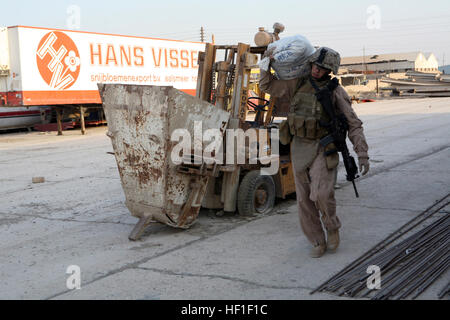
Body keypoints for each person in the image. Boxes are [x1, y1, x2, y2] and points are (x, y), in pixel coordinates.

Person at [259, 47, 370, 258]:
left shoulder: (336, 91)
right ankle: (317, 240)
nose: (317, 70)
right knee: (304, 201)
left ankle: (332, 226)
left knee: (321, 194)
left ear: (329, 70)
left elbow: (354, 123)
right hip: (299, 146)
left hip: (323, 146)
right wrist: (265, 63)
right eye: (314, 65)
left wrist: (362, 153)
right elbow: (267, 85)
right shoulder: (298, 83)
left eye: (322, 68)